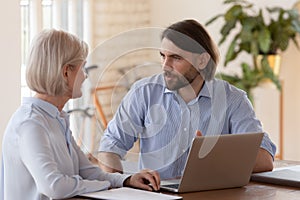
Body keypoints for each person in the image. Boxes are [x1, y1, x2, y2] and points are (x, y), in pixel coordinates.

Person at [98, 19, 277, 180]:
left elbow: (264, 159)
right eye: (163, 56)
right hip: (158, 195)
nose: (165, 66)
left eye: (176, 58)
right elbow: (110, 146)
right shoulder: (144, 92)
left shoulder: (233, 99)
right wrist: (118, 184)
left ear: (202, 61)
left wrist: (213, 155)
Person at [0, 29, 160, 200]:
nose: (85, 76)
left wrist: (127, 180)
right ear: (66, 72)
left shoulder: (57, 119)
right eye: (82, 68)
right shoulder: (30, 123)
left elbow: (88, 172)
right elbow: (54, 186)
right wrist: (106, 186)